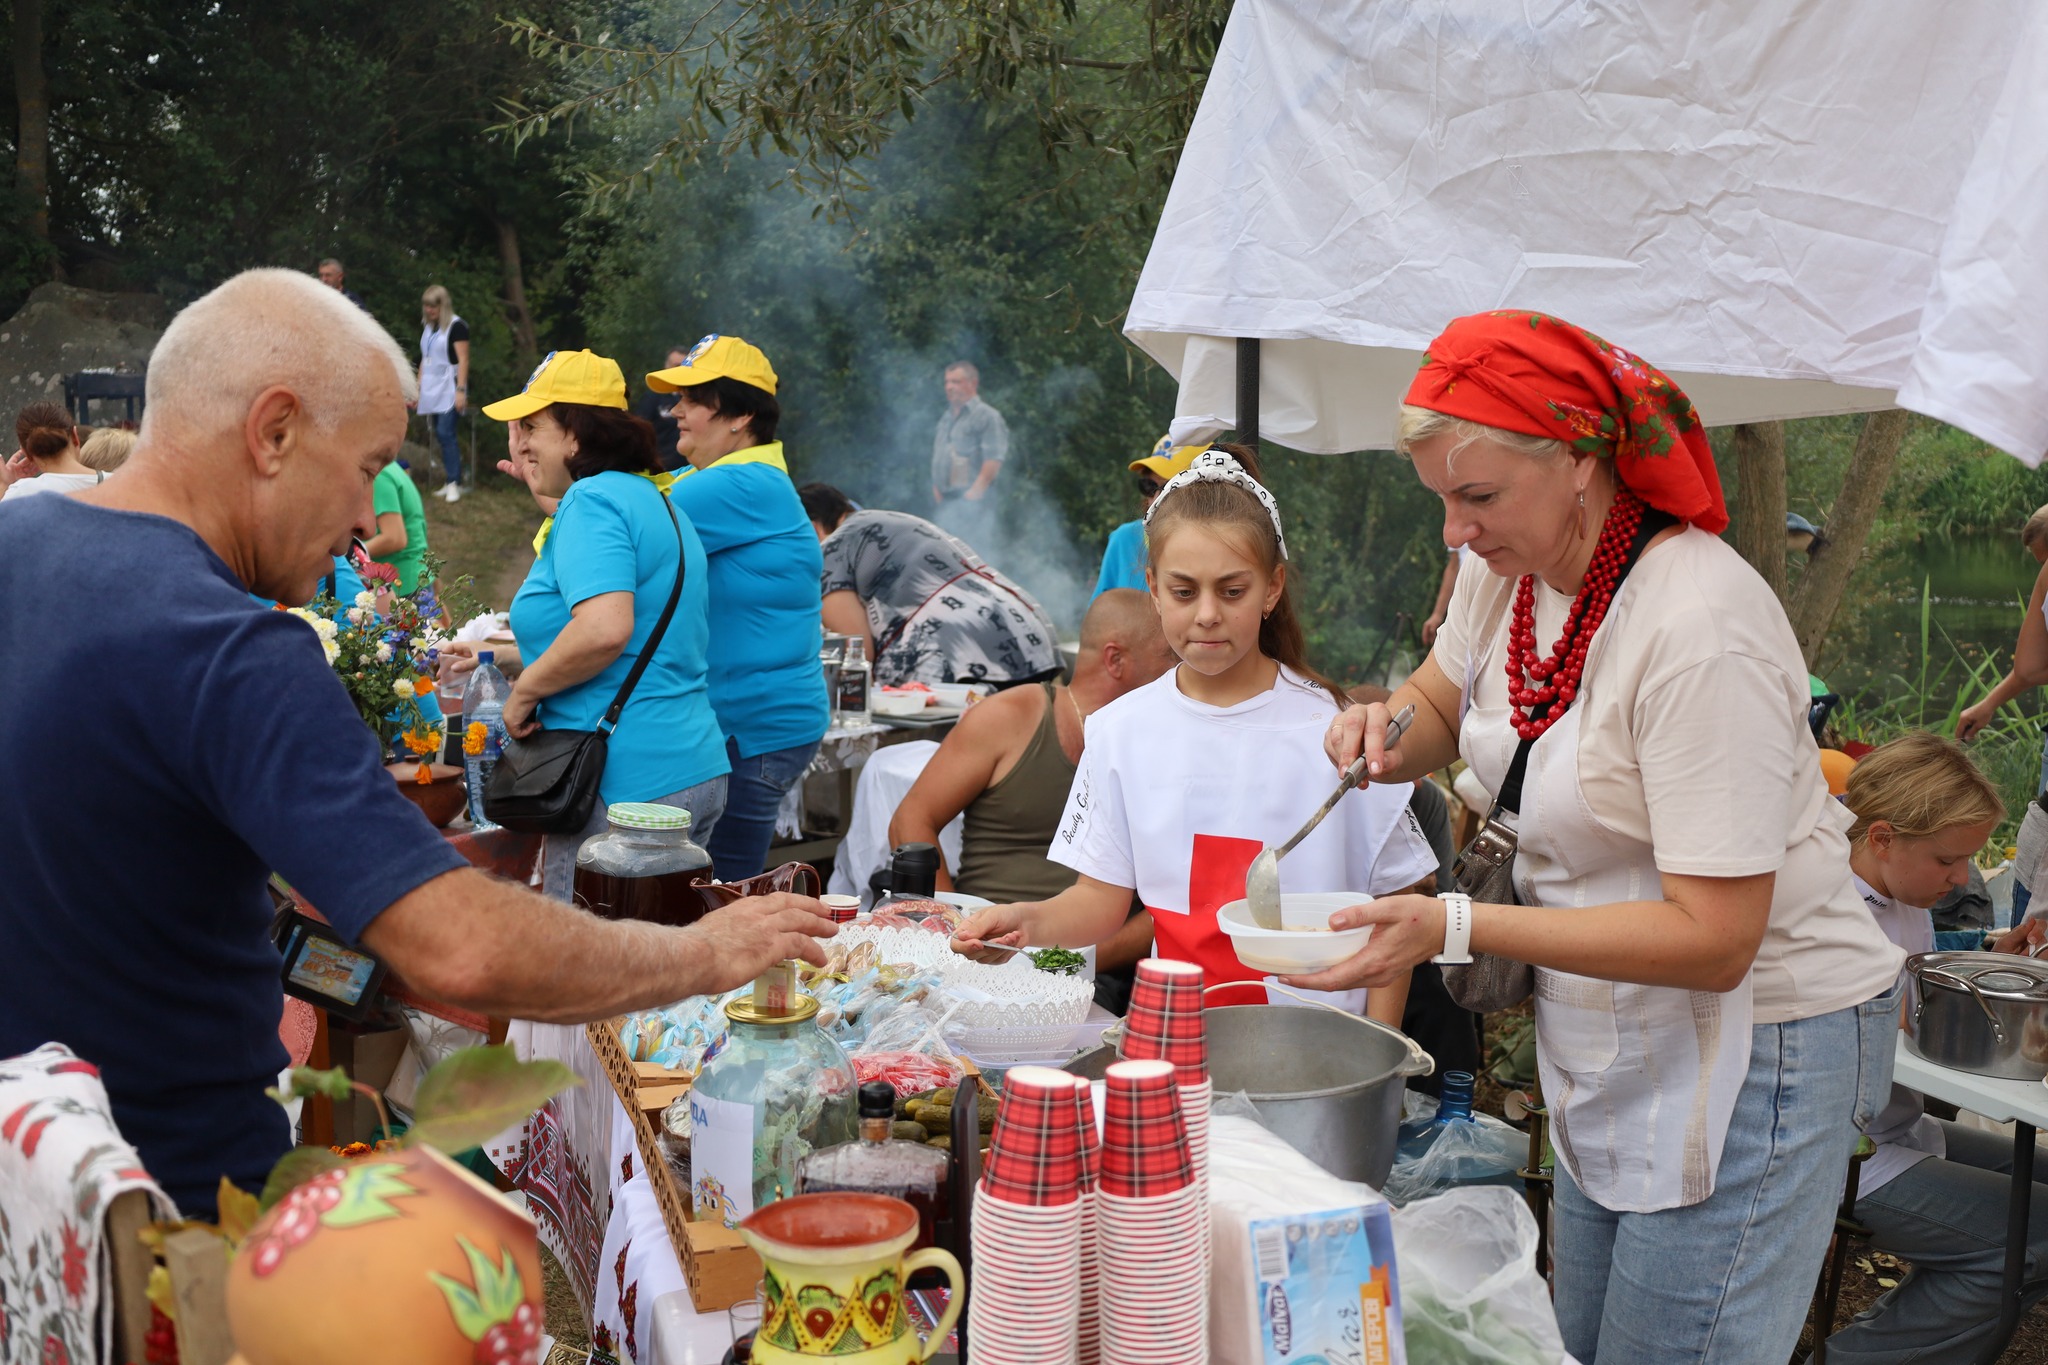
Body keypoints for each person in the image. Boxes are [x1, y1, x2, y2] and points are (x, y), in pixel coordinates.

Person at [0, 270, 835, 1219]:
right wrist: (703, 951)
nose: (371, 521)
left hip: (29, 1193)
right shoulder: (235, 652)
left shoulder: (14, 544)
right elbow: (460, 948)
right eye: (366, 467)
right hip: (177, 1214)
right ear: (273, 432)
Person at [1311, 312, 1903, 1362]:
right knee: (1584, 1339)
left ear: (1580, 460)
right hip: (1612, 1023)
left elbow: (1715, 938)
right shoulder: (1509, 574)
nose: (1453, 531)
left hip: (1755, 1037)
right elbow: (1441, 703)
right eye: (1439, 498)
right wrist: (1381, 731)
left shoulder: (1695, 628)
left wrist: (1459, 922)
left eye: (1476, 496)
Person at [952, 446, 1439, 1024]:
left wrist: (1377, 1052)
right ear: (1153, 588)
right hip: (1179, 1041)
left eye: (1232, 591)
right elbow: (1098, 902)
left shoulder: (1339, 731)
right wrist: (1024, 924)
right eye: (1184, 592)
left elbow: (1402, 904)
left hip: (1324, 1051)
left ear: (1272, 589)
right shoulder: (1120, 731)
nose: (1207, 614)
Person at [442, 349, 731, 901]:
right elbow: (633, 645)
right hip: (687, 766)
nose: (520, 441)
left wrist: (521, 694)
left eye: (532, 426)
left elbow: (603, 631)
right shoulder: (654, 499)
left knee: (596, 975)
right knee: (668, 971)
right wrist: (504, 660)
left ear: (576, 435)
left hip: (624, 787)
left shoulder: (592, 501)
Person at [1823, 732, 2048, 1364]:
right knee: (2029, 1239)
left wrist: (1985, 950)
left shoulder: (1896, 890)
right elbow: (1898, 1004)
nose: (1959, 879)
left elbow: (1912, 966)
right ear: (1883, 837)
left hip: (1896, 1125)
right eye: (1948, 861)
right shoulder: (1830, 912)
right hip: (1840, 1149)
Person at [644, 334, 830, 880]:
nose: (675, 411)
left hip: (753, 727)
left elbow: (622, 530)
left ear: (740, 415)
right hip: (756, 721)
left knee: (722, 893)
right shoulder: (718, 478)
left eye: (693, 399)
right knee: (717, 890)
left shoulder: (741, 482)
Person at [891, 588, 1175, 901]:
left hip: (1114, 944)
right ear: (1115, 659)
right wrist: (949, 923)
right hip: (990, 940)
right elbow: (911, 819)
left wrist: (1098, 951)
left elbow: (1180, 891)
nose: (1182, 669)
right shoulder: (1011, 718)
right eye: (1170, 656)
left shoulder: (1172, 741)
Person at [801, 482, 1062, 688]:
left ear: (811, 529)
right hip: (1030, 638)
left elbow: (857, 654)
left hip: (961, 655)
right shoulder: (892, 519)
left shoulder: (830, 549)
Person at [1093, 433, 1206, 597]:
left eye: (1172, 487)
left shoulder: (1226, 546)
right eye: (1149, 486)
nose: (1155, 499)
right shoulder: (1123, 540)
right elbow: (1099, 616)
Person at [929, 361, 1007, 539]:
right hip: (946, 502)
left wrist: (974, 494)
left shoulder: (987, 416)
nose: (949, 387)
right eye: (947, 382)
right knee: (947, 556)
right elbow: (938, 455)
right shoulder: (945, 419)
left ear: (973, 383)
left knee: (973, 554)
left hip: (973, 502)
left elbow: (994, 458)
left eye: (956, 382)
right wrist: (937, 489)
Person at [416, 284, 471, 502]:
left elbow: (464, 359)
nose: (429, 310)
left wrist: (461, 390)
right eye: (427, 306)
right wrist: (418, 385)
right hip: (432, 386)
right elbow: (425, 357)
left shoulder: (457, 326)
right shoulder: (428, 327)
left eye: (434, 306)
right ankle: (450, 479)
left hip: (451, 385)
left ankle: (454, 482)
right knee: (439, 434)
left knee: (446, 432)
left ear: (443, 305)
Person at [1, 403, 103, 502]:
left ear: (26, 453)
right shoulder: (115, 483)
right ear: (75, 436)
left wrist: (5, 486)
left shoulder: (20, 495)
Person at [364, 459, 430, 596]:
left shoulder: (380, 476)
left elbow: (394, 538)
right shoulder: (392, 468)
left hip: (401, 588)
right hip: (416, 578)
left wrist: (351, 555)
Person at [637, 345, 688, 469]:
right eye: (676, 366)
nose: (680, 370)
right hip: (660, 469)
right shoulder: (653, 397)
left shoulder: (698, 398)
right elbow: (639, 432)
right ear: (666, 366)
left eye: (684, 366)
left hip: (689, 469)